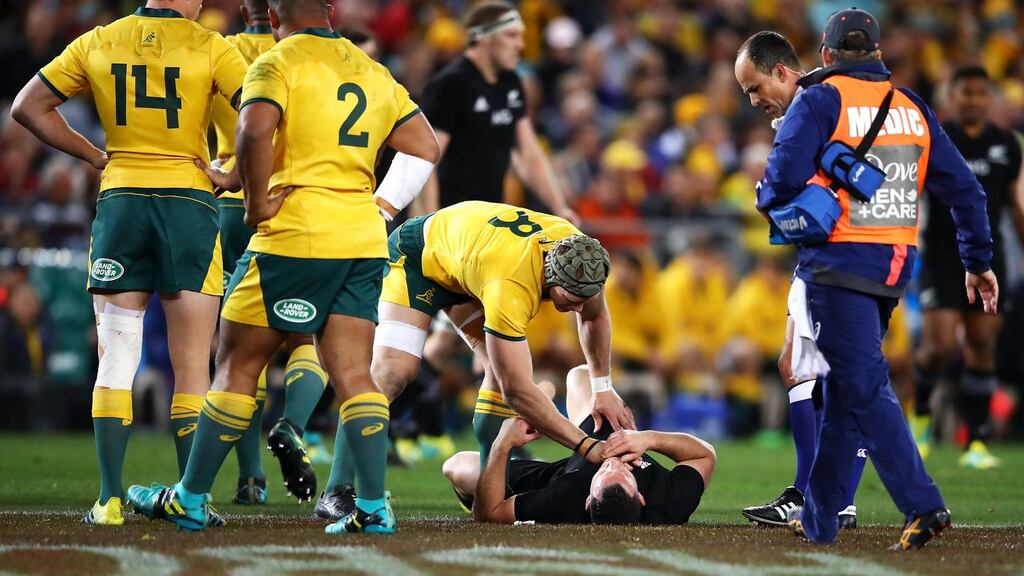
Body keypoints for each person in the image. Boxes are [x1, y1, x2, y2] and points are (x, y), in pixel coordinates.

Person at [127, 0, 440, 535]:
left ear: (274, 17)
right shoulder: (371, 69)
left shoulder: (276, 61)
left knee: (238, 366)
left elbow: (252, 131)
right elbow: (424, 146)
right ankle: (371, 507)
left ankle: (190, 499)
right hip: (362, 239)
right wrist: (384, 206)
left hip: (293, 234)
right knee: (353, 374)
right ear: (332, 12)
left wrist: (252, 204)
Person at [757, 8, 997, 549]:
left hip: (836, 266)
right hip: (893, 269)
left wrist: (772, 196)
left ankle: (923, 504)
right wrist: (977, 262)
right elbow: (966, 192)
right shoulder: (913, 108)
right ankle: (818, 519)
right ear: (878, 54)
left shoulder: (819, 100)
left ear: (826, 55)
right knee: (846, 391)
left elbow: (779, 185)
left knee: (863, 386)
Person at [11, 0, 248, 526]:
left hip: (121, 202)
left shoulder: (100, 39)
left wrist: (96, 156)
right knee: (192, 367)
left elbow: (27, 107)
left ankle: (109, 501)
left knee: (116, 358)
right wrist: (232, 173)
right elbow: (264, 116)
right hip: (187, 202)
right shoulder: (211, 46)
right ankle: (193, 500)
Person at [313, 200, 634, 521]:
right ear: (551, 276)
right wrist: (587, 446)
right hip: (418, 259)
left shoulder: (582, 259)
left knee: (498, 368)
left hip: (471, 259)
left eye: (584, 298)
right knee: (393, 372)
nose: (578, 308)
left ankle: (484, 481)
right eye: (571, 299)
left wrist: (602, 387)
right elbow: (518, 392)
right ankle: (336, 490)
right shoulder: (512, 283)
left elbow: (593, 316)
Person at [734, 30, 867, 529]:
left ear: (782, 72)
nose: (753, 101)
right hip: (821, 256)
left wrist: (777, 196)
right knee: (795, 365)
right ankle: (808, 489)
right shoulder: (811, 105)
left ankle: (834, 498)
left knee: (833, 375)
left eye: (754, 87)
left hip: (841, 257)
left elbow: (853, 178)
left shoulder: (815, 104)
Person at [209, 0, 335, 506]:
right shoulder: (314, 57)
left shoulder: (221, 51)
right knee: (308, 334)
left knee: (240, 351)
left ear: (245, 10)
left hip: (231, 208)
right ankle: (294, 425)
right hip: (296, 205)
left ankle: (251, 477)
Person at [912, 65, 1022, 470]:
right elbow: (915, 194)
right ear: (952, 96)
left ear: (989, 97)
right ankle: (921, 419)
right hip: (942, 256)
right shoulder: (939, 139)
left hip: (990, 258)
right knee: (939, 348)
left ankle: (975, 441)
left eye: (980, 92)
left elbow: (1016, 204)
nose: (973, 99)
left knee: (981, 346)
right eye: (966, 92)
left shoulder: (1006, 143)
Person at [444, 365, 715, 525]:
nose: (612, 463)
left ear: (588, 499)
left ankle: (493, 481)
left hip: (554, 478)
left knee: (457, 467)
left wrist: (503, 443)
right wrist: (648, 438)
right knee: (580, 375)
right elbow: (704, 455)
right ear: (640, 496)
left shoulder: (564, 500)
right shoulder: (669, 503)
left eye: (603, 474)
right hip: (611, 437)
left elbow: (489, 514)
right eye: (624, 471)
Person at [415, 0, 576, 220]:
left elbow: (530, 154)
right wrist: (430, 224)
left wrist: (560, 209)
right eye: (511, 35)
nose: (520, 45)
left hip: (489, 217)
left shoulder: (511, 82)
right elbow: (427, 160)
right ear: (484, 37)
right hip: (452, 218)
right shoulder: (452, 83)